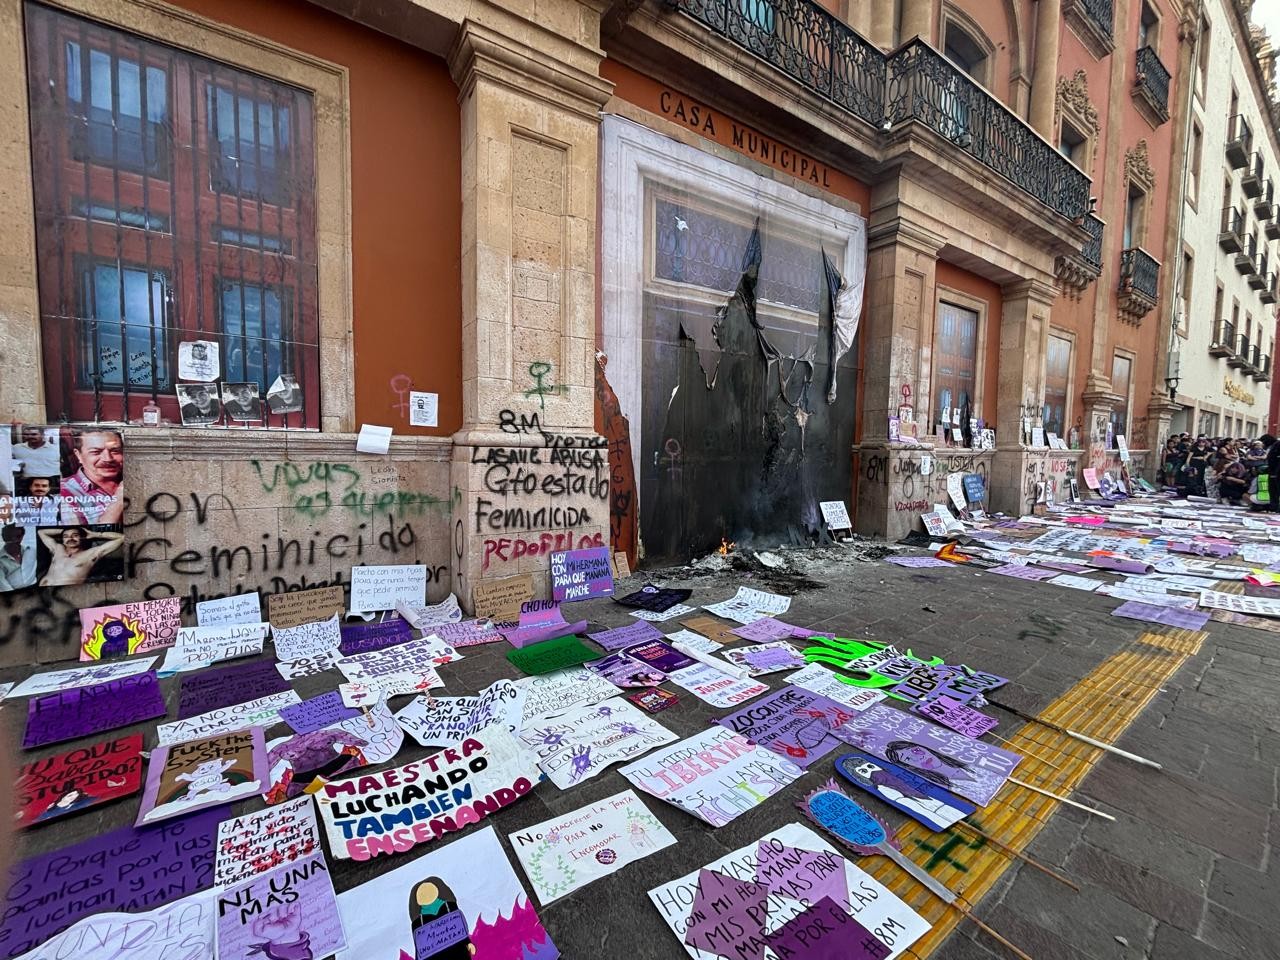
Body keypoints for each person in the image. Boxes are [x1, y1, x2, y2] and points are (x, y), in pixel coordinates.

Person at [60, 429, 124, 524]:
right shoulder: (64, 492)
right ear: (78, 455)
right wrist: (119, 499)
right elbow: (85, 536)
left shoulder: (133, 478)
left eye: (115, 451)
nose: (108, 459)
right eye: (96, 452)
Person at [409, 878, 474, 959]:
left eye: (429, 890)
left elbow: (459, 928)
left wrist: (467, 942)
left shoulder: (449, 906)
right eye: (422, 894)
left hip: (458, 951)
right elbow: (419, 946)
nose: (427, 895)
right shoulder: (418, 922)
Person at [37, 526, 123, 586]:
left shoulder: (91, 554)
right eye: (66, 536)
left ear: (82, 537)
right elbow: (41, 532)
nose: (70, 539)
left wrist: (96, 534)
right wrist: (65, 530)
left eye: (75, 535)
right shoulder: (58, 548)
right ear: (62, 540)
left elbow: (121, 538)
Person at [0, 524, 35, 591]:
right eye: (10, 537)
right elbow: (4, 587)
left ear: (22, 537)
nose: (14, 540)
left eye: (18, 537)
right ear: (4, 538)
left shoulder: (32, 551)